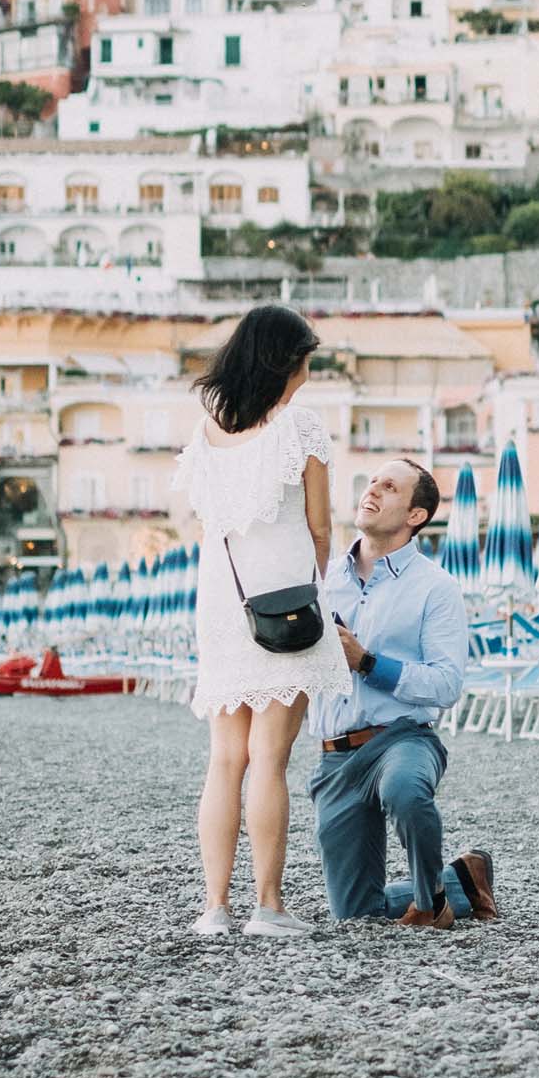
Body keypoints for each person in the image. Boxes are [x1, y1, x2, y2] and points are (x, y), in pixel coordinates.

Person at [174, 303, 352, 941]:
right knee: (269, 758)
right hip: (284, 602)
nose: (309, 371)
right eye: (306, 359)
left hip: (224, 605)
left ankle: (214, 908)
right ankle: (267, 907)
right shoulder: (300, 427)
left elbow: (205, 521)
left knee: (226, 760)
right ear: (286, 361)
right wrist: (315, 584)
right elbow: (321, 528)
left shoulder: (207, 433)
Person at [313, 460, 500, 931]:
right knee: (355, 912)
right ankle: (462, 880)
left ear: (416, 515)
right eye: (372, 481)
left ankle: (431, 903)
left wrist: (367, 662)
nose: (372, 489)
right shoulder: (321, 580)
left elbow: (446, 684)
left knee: (405, 791)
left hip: (402, 738)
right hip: (335, 755)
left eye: (390, 487)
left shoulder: (436, 587)